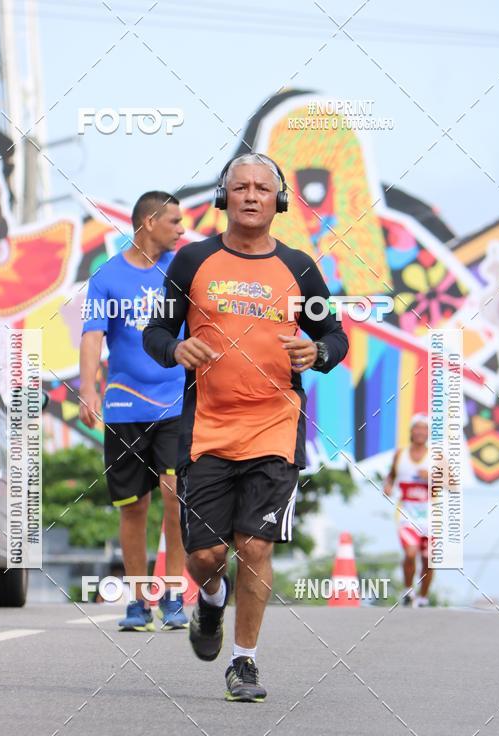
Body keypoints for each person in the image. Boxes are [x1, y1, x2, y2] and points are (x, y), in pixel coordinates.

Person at [143, 153, 349, 701]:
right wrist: (173, 347)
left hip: (274, 428)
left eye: (263, 188)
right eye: (241, 188)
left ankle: (244, 663)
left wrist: (318, 350)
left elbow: (337, 338)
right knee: (207, 556)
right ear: (224, 197)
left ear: (279, 200)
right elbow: (155, 332)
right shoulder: (192, 262)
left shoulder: (301, 268)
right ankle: (210, 603)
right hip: (207, 428)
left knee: (255, 546)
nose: (252, 196)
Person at [79, 191, 188, 632]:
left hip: (176, 401)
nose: (182, 230)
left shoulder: (180, 272)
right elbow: (92, 337)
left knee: (176, 498)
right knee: (134, 506)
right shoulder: (107, 277)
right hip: (125, 405)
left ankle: (175, 596)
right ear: (148, 223)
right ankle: (140, 601)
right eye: (175, 222)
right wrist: (88, 388)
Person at [384, 414, 432, 607]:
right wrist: (387, 486)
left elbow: (453, 483)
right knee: (411, 553)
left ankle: (423, 598)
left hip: (431, 515)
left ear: (428, 432)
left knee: (429, 559)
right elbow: (390, 477)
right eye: (417, 428)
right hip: (407, 513)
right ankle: (407, 591)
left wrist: (432, 477)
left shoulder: (436, 457)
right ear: (412, 431)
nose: (420, 432)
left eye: (424, 428)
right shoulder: (400, 455)